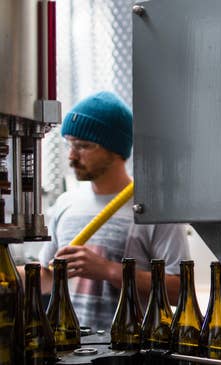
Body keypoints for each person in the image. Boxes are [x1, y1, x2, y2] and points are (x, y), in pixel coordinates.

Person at [24, 91, 190, 331]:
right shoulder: (66, 204)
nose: (72, 155)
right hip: (72, 348)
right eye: (70, 144)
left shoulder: (154, 209)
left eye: (83, 146)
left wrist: (109, 270)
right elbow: (47, 276)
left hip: (132, 350)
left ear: (116, 150)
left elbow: (179, 292)